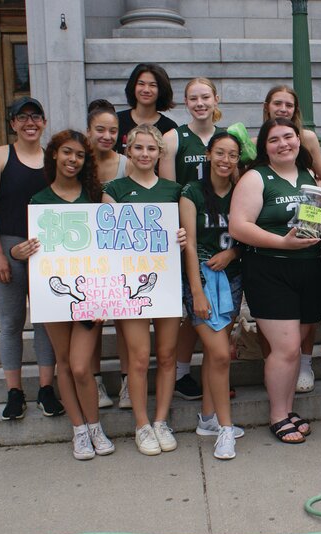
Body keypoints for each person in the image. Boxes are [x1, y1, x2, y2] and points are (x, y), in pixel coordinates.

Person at [10, 130, 115, 460]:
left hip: (89, 297)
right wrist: (17, 251)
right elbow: (23, 246)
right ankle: (79, 430)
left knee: (82, 366)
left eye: (80, 155)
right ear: (54, 154)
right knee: (65, 364)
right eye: (67, 152)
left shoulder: (96, 196)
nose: (73, 160)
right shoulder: (39, 200)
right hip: (53, 294)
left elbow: (121, 241)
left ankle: (95, 425)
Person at [229, 117, 321, 444]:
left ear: (299, 140)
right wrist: (282, 242)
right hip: (270, 270)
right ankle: (277, 415)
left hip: (309, 269)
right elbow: (239, 226)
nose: (284, 144)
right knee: (285, 348)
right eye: (275, 139)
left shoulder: (308, 175)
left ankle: (287, 408)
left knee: (294, 348)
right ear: (264, 146)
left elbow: (314, 221)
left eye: (289, 137)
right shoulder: (256, 177)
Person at [0, 97, 62, 421]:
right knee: (11, 322)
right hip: (8, 246)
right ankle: (14, 391)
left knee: (45, 322)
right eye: (22, 117)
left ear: (43, 121)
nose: (29, 122)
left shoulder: (52, 159)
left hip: (45, 249)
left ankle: (45, 388)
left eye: (35, 116)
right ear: (12, 123)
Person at [103, 124, 184, 456]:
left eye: (152, 149)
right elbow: (107, 241)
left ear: (160, 153)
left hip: (165, 281)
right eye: (139, 148)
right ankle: (141, 424)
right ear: (128, 150)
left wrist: (181, 236)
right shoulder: (114, 189)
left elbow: (186, 231)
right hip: (130, 284)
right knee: (138, 358)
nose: (145, 154)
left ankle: (161, 420)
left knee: (166, 356)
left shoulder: (174, 190)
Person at [179, 132, 247, 460]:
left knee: (213, 353)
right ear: (208, 154)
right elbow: (189, 243)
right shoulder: (192, 192)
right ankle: (225, 428)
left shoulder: (240, 192)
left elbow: (247, 236)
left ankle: (207, 417)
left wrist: (233, 255)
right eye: (220, 153)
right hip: (202, 281)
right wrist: (195, 292)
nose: (225, 160)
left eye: (232, 155)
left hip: (231, 282)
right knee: (221, 354)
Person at [158, 77, 225, 402]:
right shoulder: (173, 138)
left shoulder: (227, 138)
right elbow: (170, 190)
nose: (200, 103)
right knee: (190, 309)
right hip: (189, 233)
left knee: (216, 312)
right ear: (185, 102)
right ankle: (183, 373)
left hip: (221, 235)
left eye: (205, 97)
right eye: (193, 98)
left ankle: (214, 378)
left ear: (215, 100)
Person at [262, 85, 321, 392]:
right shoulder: (259, 141)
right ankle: (277, 366)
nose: (283, 108)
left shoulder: (308, 138)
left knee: (309, 309)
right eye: (278, 103)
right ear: (267, 107)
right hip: (274, 244)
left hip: (308, 209)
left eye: (289, 104)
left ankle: (305, 362)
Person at [85, 99, 130, 410]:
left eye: (113, 130)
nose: (106, 135)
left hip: (122, 252)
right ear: (88, 131)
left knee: (126, 320)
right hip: (88, 252)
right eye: (100, 129)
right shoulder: (78, 162)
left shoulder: (128, 163)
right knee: (94, 318)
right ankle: (96, 380)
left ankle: (129, 382)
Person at [114, 63, 177, 154]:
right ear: (133, 86)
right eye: (141, 84)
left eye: (152, 85)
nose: (146, 90)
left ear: (161, 90)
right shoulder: (117, 121)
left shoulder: (169, 128)